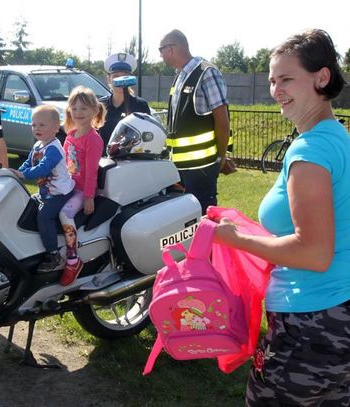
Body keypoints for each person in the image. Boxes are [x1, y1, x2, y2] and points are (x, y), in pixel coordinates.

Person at [209, 29, 349, 406]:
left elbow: (314, 253)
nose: (276, 89)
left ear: (322, 78)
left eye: (287, 79)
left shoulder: (310, 152)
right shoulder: (338, 137)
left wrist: (235, 240)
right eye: (272, 80)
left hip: (311, 324)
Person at [160, 29, 233, 214]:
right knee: (184, 222)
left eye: (160, 50)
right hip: (179, 167)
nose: (160, 55)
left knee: (203, 219)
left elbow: (222, 120)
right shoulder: (180, 76)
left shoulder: (206, 73)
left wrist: (220, 158)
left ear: (170, 49)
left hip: (201, 168)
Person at [11, 105, 75, 272]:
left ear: (55, 127)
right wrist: (17, 172)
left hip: (60, 193)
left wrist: (24, 175)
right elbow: (28, 163)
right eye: (34, 125)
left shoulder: (54, 148)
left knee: (44, 216)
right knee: (28, 205)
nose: (36, 128)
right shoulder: (39, 145)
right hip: (47, 192)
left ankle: (54, 254)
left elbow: (43, 169)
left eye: (42, 125)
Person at [58, 86, 105, 286]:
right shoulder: (71, 134)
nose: (78, 113)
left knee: (65, 214)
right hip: (66, 185)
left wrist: (88, 196)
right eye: (75, 108)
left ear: (95, 110)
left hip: (79, 191)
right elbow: (64, 163)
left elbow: (92, 170)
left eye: (84, 109)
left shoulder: (93, 139)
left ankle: (72, 259)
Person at [98, 53, 151, 149]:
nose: (120, 80)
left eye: (125, 76)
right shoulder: (100, 105)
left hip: (131, 161)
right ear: (109, 79)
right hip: (103, 161)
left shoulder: (140, 105)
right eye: (116, 76)